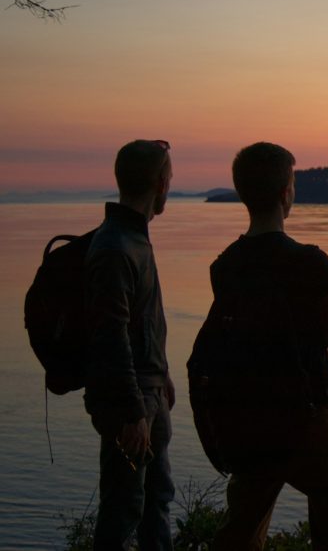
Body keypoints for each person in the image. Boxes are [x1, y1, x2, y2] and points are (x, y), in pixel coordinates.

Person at [201, 142, 328, 551]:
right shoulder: (309, 262)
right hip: (312, 411)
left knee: (243, 529)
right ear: (286, 194)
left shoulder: (225, 267)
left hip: (250, 413)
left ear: (242, 194)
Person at [84, 139, 176, 551]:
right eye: (169, 178)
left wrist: (163, 375)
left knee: (156, 503)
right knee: (123, 510)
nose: (170, 186)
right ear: (159, 183)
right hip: (132, 402)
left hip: (149, 391)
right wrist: (133, 410)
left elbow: (141, 322)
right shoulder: (115, 246)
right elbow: (110, 334)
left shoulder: (133, 236)